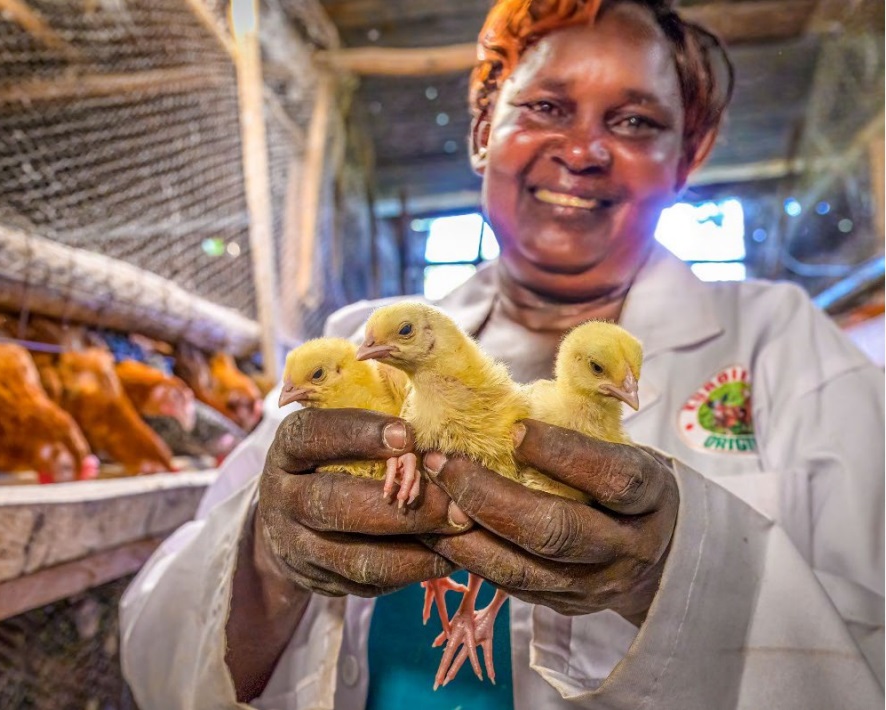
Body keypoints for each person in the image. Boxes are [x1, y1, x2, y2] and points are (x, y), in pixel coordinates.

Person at [120, 0, 885, 707]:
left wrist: (678, 575)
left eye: (636, 121)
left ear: (688, 156)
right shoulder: (358, 343)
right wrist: (267, 560)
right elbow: (156, 650)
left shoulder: (781, 341)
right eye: (546, 107)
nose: (583, 149)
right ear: (486, 129)